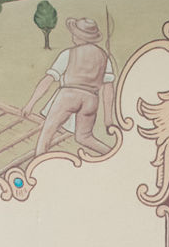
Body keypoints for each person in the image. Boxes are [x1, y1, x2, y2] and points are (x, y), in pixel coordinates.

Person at [21, 15, 116, 157]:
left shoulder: (68, 54)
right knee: (84, 137)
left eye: (75, 33)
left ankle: (38, 166)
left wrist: (30, 104)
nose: (72, 35)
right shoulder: (104, 57)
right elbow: (108, 88)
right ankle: (112, 154)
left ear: (80, 36)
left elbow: (48, 80)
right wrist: (108, 119)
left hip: (69, 96)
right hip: (91, 100)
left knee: (46, 134)